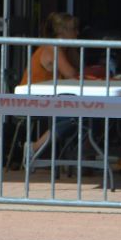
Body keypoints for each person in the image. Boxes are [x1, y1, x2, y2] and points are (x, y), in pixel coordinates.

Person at [19, 12, 81, 156]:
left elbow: (79, 71)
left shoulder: (64, 48)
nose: (77, 32)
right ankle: (34, 148)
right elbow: (71, 74)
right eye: (74, 29)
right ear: (62, 31)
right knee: (75, 113)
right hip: (31, 98)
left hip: (50, 96)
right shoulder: (53, 47)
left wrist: (72, 48)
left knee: (80, 110)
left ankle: (80, 153)